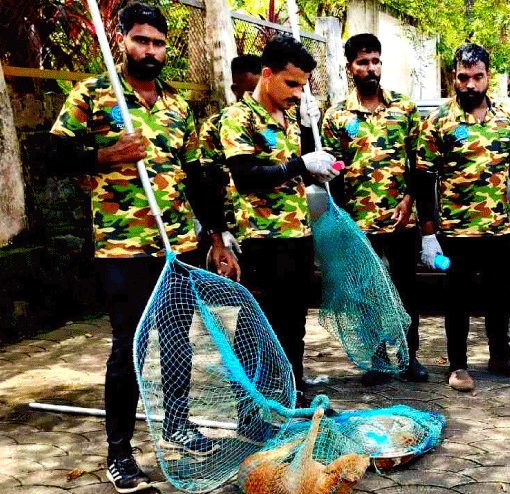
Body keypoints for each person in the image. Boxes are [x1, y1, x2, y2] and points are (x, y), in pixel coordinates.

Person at [48, 4, 238, 492]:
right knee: (128, 348)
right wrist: (106, 155)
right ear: (122, 41)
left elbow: (199, 177)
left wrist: (216, 239)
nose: (149, 50)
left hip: (177, 245)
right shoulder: (93, 94)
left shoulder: (177, 106)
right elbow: (52, 154)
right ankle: (119, 453)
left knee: (177, 342)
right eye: (140, 40)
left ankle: (178, 425)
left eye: (157, 42)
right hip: (122, 247)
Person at [220, 36, 338, 409]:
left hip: (296, 235)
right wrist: (300, 165)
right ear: (266, 75)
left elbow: (285, 174)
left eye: (302, 85)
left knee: (293, 322)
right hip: (261, 240)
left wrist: (315, 172)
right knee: (257, 326)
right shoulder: (238, 117)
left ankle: (291, 391)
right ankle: (249, 407)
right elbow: (246, 175)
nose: (298, 93)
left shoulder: (285, 118)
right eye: (291, 84)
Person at [416, 43, 510, 392]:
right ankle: (458, 365)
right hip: (455, 232)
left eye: (477, 77)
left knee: (500, 296)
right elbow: (423, 178)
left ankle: (501, 356)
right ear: (454, 76)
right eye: (463, 77)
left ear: (487, 77)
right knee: (457, 300)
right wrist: (428, 234)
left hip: (498, 228)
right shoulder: (438, 122)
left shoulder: (507, 118)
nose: (469, 84)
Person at [321, 33, 428, 386]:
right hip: (357, 222)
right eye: (363, 62)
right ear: (349, 66)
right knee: (366, 292)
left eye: (376, 61)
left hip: (400, 219)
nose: (371, 68)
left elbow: (419, 163)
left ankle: (410, 356)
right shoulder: (336, 116)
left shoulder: (404, 108)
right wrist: (338, 217)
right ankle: (378, 359)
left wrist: (410, 197)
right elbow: (331, 172)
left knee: (407, 290)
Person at [199, 54, 263, 261]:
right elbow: (207, 180)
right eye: (249, 91)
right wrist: (218, 230)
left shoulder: (279, 123)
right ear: (235, 90)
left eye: (259, 90)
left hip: (266, 226)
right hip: (231, 225)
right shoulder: (214, 125)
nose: (253, 97)